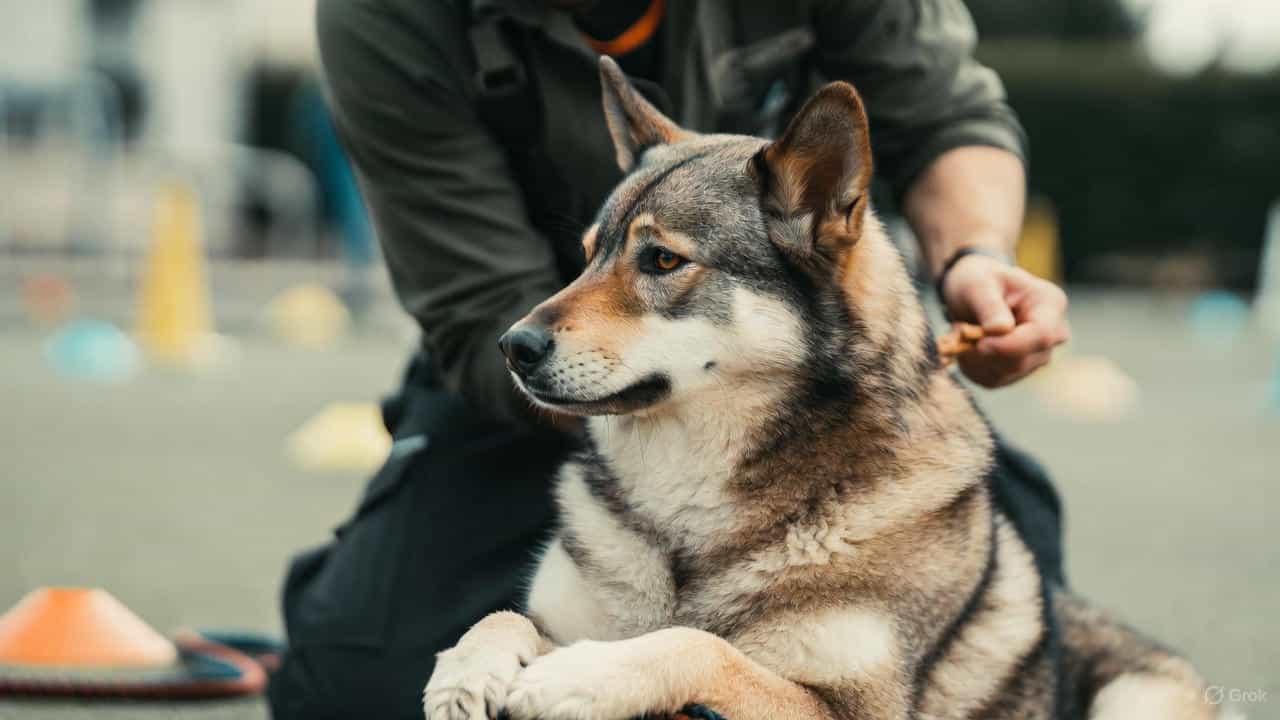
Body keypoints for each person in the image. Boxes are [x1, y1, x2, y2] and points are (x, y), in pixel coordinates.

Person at [269, 1, 1072, 718]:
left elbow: (945, 112)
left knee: (1024, 580)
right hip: (515, 399)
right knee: (353, 683)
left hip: (820, 390)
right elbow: (495, 323)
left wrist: (975, 259)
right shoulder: (385, 17)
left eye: (659, 263)